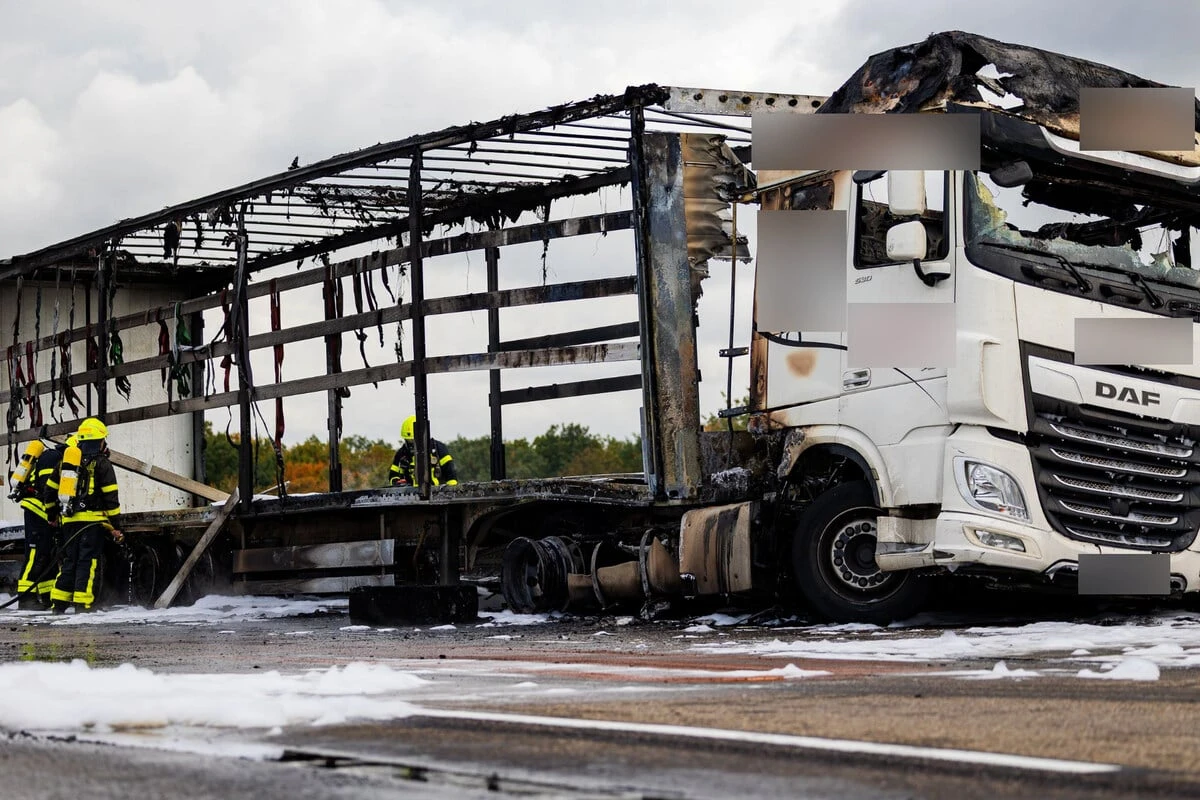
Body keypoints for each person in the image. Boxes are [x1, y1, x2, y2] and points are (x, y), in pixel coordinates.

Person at [50, 418, 122, 614]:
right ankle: (83, 604)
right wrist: (116, 524)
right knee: (87, 562)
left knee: (69, 561)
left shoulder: (66, 464)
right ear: (100, 441)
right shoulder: (102, 464)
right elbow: (111, 497)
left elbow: (50, 490)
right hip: (91, 524)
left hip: (69, 521)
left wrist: (52, 514)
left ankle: (59, 603)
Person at [13, 436, 75, 609]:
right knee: (35, 554)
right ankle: (25, 598)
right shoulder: (52, 457)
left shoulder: (57, 458)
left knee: (47, 555)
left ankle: (47, 596)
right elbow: (49, 489)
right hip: (36, 510)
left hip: (44, 513)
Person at [389, 415, 458, 487]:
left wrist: (450, 492)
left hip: (438, 495)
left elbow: (451, 474)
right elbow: (393, 476)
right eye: (408, 441)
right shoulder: (402, 453)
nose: (411, 444)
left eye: (413, 440)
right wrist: (397, 483)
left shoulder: (438, 449)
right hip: (411, 495)